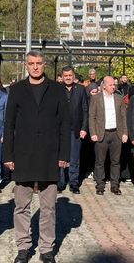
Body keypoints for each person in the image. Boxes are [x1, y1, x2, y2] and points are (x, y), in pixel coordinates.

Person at [3, 51, 70, 263]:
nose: (35, 67)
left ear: (44, 65)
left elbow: (65, 124)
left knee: (48, 207)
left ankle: (46, 248)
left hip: (49, 155)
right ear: (26, 65)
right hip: (23, 155)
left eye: (39, 63)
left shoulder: (58, 89)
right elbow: (9, 124)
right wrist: (8, 155)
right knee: (21, 205)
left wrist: (64, 154)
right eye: (31, 63)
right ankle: (23, 247)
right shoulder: (16, 90)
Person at [89, 76, 129, 195]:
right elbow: (92, 117)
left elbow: (123, 117)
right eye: (111, 85)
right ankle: (100, 185)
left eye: (114, 85)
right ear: (104, 86)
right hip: (102, 134)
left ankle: (115, 185)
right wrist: (93, 133)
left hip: (116, 134)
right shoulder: (96, 98)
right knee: (100, 161)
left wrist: (125, 133)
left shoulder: (119, 98)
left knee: (115, 161)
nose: (113, 86)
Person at [57, 66, 88, 195]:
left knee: (74, 158)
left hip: (76, 129)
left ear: (74, 76)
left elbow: (85, 110)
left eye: (70, 75)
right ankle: (60, 182)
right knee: (60, 157)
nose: (68, 78)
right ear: (62, 77)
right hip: (60, 130)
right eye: (66, 76)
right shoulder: (57, 89)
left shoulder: (81, 89)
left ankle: (74, 183)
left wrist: (84, 128)